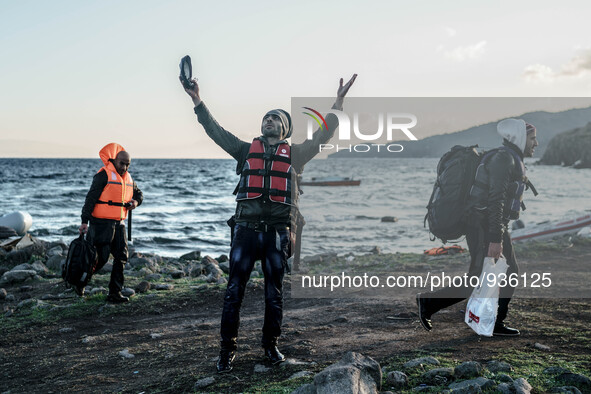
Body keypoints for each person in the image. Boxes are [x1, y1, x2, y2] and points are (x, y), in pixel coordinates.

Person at [181, 73, 357, 372]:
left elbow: (322, 135)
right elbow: (214, 130)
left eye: (274, 119)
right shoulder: (245, 149)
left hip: (277, 235)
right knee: (234, 290)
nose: (268, 121)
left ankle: (270, 346)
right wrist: (197, 99)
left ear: (285, 128)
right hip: (245, 232)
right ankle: (227, 350)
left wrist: (338, 103)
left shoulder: (297, 154)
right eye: (265, 118)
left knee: (273, 294)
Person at [417, 118, 538, 336]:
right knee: (478, 276)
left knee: (509, 272)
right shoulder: (504, 159)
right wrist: (495, 238)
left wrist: (497, 233)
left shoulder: (510, 157)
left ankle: (494, 322)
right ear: (520, 137)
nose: (535, 144)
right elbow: (495, 199)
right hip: (482, 224)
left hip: (490, 224)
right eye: (532, 139)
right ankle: (428, 302)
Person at [78, 143, 143, 303]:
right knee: (100, 258)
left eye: (128, 164)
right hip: (100, 224)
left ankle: (115, 293)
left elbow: (139, 194)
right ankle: (79, 282)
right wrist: (84, 221)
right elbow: (90, 199)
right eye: (122, 163)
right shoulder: (103, 175)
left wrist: (135, 202)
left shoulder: (128, 179)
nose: (125, 167)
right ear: (114, 160)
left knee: (121, 256)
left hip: (119, 224)